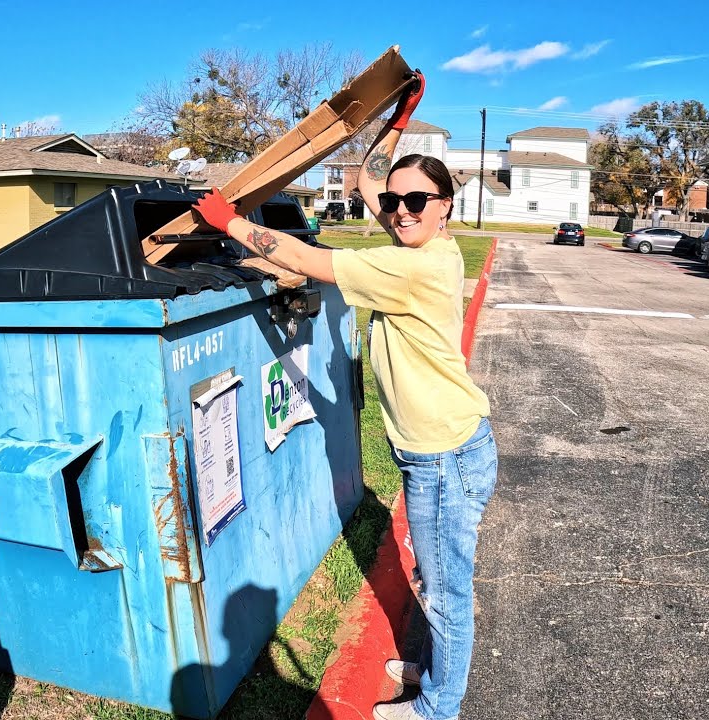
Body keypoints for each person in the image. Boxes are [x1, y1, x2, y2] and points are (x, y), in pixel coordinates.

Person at [192, 71, 496, 720]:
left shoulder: (413, 265)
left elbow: (312, 263)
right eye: (398, 201)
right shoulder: (425, 244)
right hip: (442, 450)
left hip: (443, 456)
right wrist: (400, 119)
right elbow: (368, 179)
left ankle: (439, 707)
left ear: (446, 205)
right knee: (435, 579)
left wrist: (231, 225)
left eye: (420, 200)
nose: (403, 209)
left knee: (445, 592)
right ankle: (439, 669)